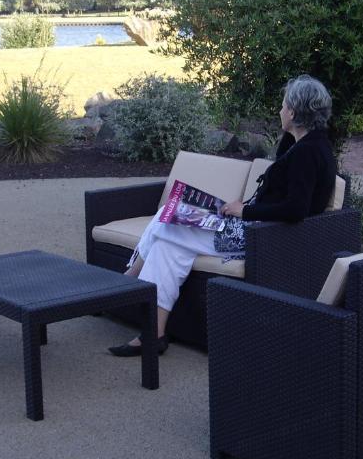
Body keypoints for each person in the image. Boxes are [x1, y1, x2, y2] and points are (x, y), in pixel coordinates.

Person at [108, 74, 337, 356]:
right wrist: (243, 207)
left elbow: (296, 208)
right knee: (167, 246)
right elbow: (282, 194)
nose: (279, 110)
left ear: (293, 111)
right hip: (253, 227)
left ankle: (130, 276)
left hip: (259, 238)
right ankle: (153, 336)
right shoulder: (303, 144)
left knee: (167, 216)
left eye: (283, 105)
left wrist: (245, 210)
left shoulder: (308, 152)